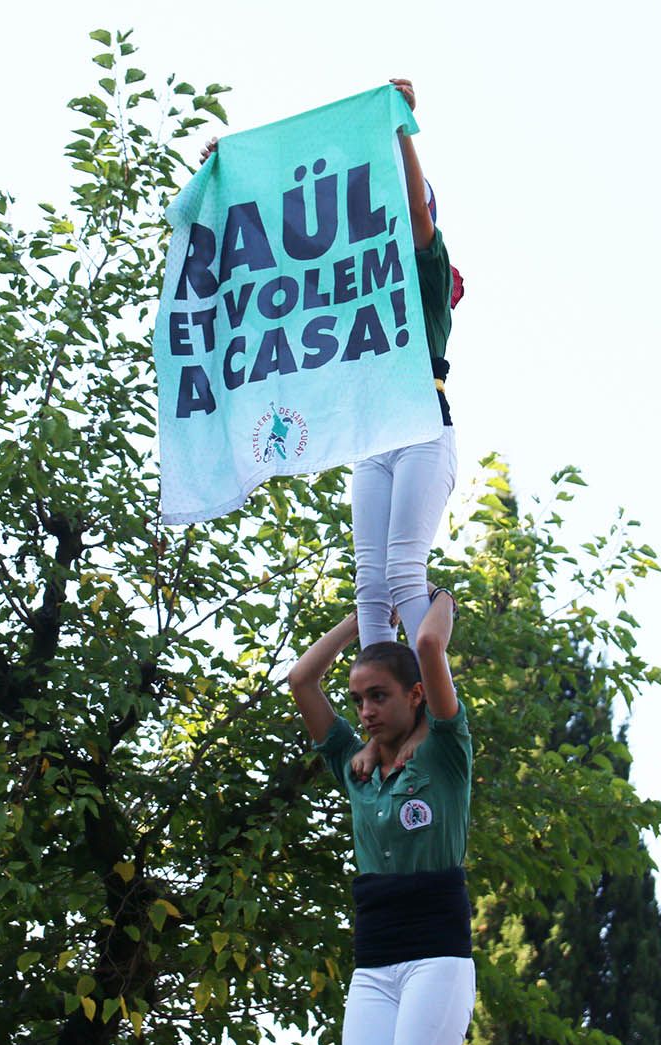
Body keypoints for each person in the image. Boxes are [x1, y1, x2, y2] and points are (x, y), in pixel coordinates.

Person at [201, 77, 463, 651]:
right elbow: (292, 251)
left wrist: (398, 133)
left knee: (401, 570)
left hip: (421, 428)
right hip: (376, 438)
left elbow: (417, 219)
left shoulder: (426, 273)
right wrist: (230, 183)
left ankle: (433, 709)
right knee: (369, 584)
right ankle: (385, 711)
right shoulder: (351, 288)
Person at [287, 583, 474, 1045]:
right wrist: (363, 617)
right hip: (374, 958)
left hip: (436, 956)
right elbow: (302, 680)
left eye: (378, 696)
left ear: (416, 695)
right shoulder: (355, 766)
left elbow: (430, 645)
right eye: (358, 700)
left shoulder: (445, 754)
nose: (366, 712)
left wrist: (438, 597)